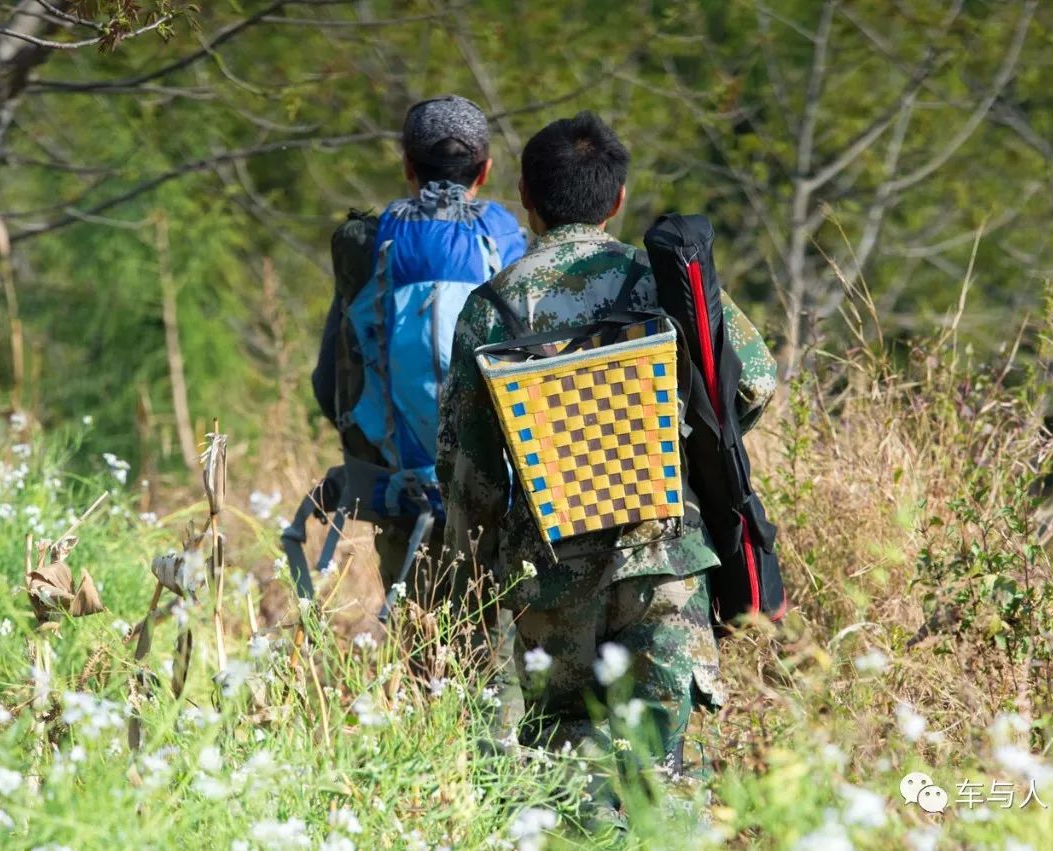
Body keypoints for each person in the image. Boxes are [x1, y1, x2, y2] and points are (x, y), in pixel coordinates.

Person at [436, 111, 777, 783]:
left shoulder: (490, 307)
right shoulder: (660, 280)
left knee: (569, 767)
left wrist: (466, 595)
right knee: (664, 771)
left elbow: (470, 472)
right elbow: (756, 382)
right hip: (665, 557)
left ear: (525, 197)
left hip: (551, 573)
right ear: (618, 198)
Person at [310, 95, 527, 607]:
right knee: (500, 633)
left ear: (407, 166)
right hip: (500, 493)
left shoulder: (370, 245)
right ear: (485, 169)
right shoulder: (508, 239)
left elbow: (329, 383)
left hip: (402, 493)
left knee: (424, 637)